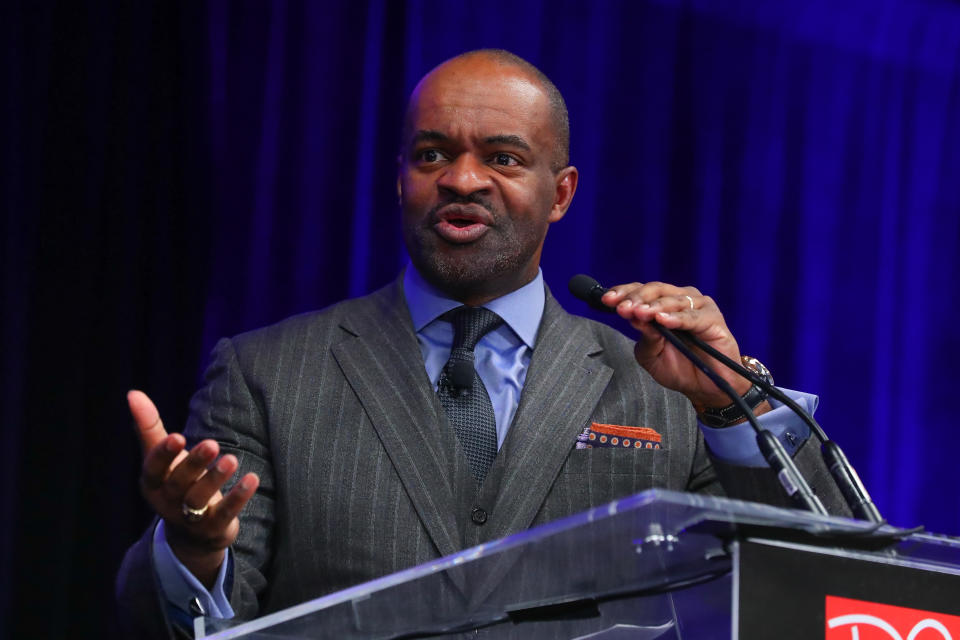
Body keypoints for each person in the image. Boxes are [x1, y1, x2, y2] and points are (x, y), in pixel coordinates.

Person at [117, 49, 845, 638]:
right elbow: (181, 623)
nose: (462, 180)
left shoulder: (665, 383)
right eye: (432, 155)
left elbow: (828, 577)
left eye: (502, 158)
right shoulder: (267, 374)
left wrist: (733, 403)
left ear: (560, 193)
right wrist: (194, 551)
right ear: (399, 181)